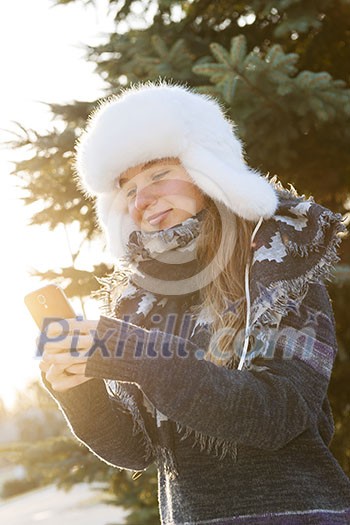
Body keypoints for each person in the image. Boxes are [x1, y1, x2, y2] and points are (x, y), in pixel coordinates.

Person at [39, 81, 350, 524]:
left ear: (208, 171)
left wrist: (138, 354)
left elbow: (276, 413)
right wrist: (79, 390)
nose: (141, 200)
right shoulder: (140, 300)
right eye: (127, 189)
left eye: (158, 174)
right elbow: (137, 449)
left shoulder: (280, 264)